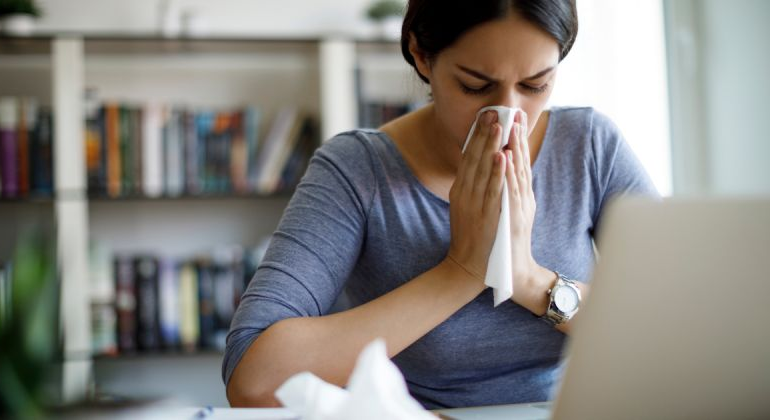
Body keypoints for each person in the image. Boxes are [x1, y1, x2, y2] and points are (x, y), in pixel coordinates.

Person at [223, 0, 657, 409]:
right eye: (474, 85)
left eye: (535, 85)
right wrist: (462, 271)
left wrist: (527, 279)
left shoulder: (590, 147)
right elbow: (252, 380)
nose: (508, 116)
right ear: (422, 55)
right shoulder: (358, 170)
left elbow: (677, 332)